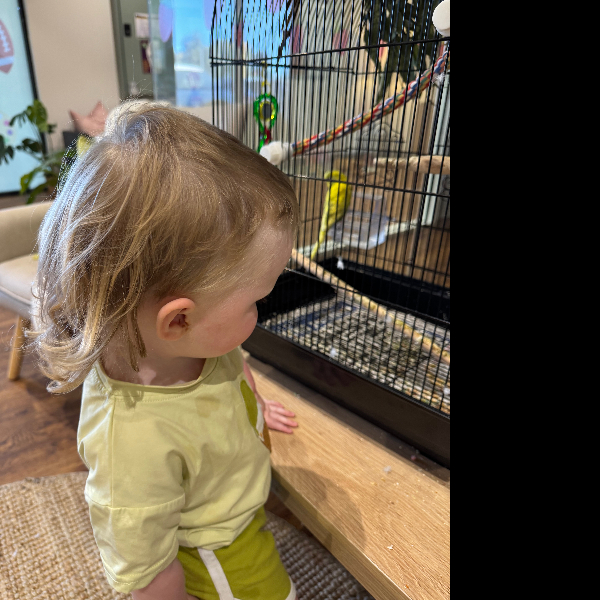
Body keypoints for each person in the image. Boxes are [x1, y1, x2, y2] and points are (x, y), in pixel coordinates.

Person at [31, 101, 301, 600]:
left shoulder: (200, 341)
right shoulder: (130, 443)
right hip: (218, 545)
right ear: (178, 319)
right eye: (255, 301)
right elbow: (146, 568)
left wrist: (256, 405)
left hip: (231, 496)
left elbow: (234, 368)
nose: (259, 314)